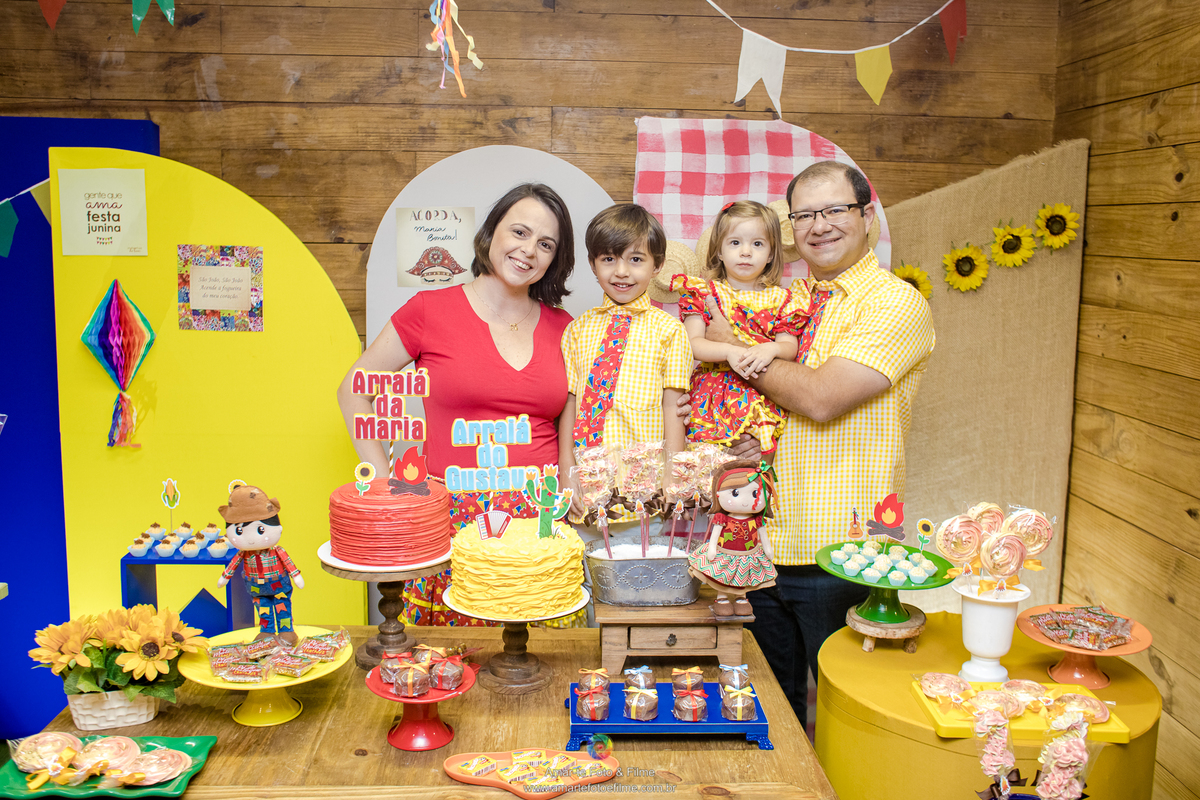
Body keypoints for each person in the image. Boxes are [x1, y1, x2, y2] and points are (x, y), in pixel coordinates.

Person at [704, 161, 936, 730]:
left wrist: (733, 349)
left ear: (867, 216)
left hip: (841, 549)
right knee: (761, 707)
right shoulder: (784, 299)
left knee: (847, 711)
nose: (820, 225)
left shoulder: (893, 302)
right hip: (756, 542)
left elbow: (821, 398)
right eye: (804, 214)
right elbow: (742, 391)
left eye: (835, 209)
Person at [337, 183, 577, 627]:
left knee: (540, 660)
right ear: (491, 232)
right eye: (519, 232)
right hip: (450, 523)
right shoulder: (429, 310)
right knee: (452, 658)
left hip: (540, 527)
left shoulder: (566, 328)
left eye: (546, 244)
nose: (529, 250)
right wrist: (387, 487)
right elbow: (353, 389)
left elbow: (579, 415)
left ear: (555, 259)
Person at [558, 203, 693, 529]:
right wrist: (566, 470)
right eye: (608, 259)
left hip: (644, 488)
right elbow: (570, 402)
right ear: (592, 264)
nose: (621, 271)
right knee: (584, 560)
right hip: (586, 488)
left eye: (635, 259)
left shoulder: (670, 330)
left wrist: (673, 476)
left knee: (642, 558)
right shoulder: (576, 330)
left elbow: (673, 407)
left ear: (657, 265)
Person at [670, 201, 810, 458]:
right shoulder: (705, 292)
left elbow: (789, 347)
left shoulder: (784, 300)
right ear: (720, 251)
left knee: (757, 463)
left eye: (757, 244)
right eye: (735, 243)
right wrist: (728, 351)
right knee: (709, 462)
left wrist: (772, 348)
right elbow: (693, 343)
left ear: (771, 254)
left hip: (762, 391)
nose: (746, 252)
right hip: (714, 392)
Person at [688, 459, 778, 616]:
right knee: (723, 575)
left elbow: (763, 536)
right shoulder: (723, 518)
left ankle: (741, 598)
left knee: (744, 575)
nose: (744, 502)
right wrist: (712, 548)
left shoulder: (757, 520)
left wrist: (768, 549)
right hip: (725, 553)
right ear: (718, 494)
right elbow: (715, 535)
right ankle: (722, 598)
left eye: (755, 494)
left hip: (748, 555)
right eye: (735, 493)